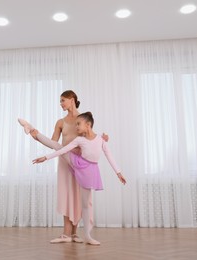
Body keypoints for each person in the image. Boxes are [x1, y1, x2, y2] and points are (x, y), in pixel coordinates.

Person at [19, 90, 108, 244]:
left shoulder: (83, 119)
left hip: (81, 163)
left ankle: (74, 233)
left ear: (71, 99)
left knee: (80, 196)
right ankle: (66, 233)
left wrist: (103, 139)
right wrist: (37, 137)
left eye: (62, 100)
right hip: (65, 161)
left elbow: (90, 136)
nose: (60, 104)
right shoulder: (60, 122)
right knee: (66, 194)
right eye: (60, 101)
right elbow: (54, 143)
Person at [32, 112, 126, 245]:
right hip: (76, 162)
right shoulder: (79, 140)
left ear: (88, 125)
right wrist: (46, 157)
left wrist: (118, 172)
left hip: (89, 171)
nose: (76, 127)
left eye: (78, 124)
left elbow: (109, 155)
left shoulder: (100, 139)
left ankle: (88, 236)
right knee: (57, 146)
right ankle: (34, 132)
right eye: (76, 124)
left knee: (86, 204)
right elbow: (62, 150)